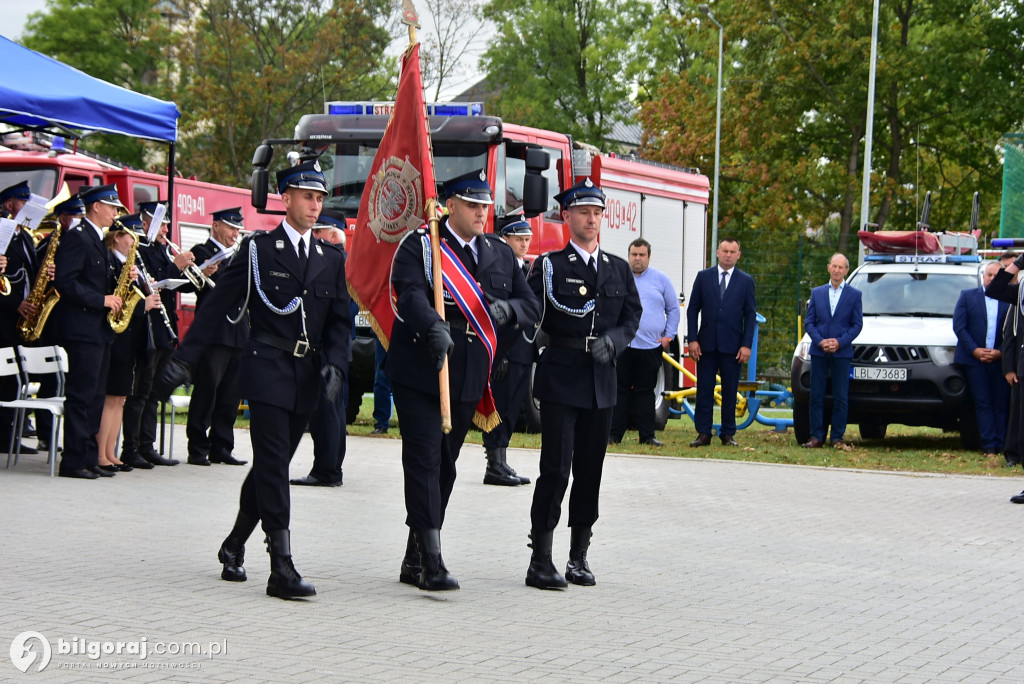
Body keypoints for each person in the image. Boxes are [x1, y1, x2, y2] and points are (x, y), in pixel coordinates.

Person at [156, 159, 351, 599]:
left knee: (272, 467)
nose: (315, 205)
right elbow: (217, 304)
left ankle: (233, 543)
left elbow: (340, 320)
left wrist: (336, 365)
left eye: (320, 198)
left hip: (307, 377)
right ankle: (281, 566)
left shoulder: (330, 257)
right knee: (274, 467)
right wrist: (186, 360)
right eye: (307, 196)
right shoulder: (259, 250)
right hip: (265, 370)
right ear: (287, 199)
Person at [386, 169, 539, 591]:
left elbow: (529, 305)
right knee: (423, 459)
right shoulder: (422, 244)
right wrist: (431, 324)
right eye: (472, 205)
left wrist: (509, 312)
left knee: (445, 467)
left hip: (470, 371)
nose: (480, 212)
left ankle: (415, 550)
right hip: (423, 367)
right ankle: (432, 562)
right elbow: (410, 292)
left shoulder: (499, 252)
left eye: (485, 206)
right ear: (449, 205)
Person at [524, 178, 641, 590]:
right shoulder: (550, 265)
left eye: (597, 213)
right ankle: (541, 557)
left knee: (590, 471)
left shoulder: (617, 268)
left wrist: (616, 340)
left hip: (601, 381)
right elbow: (534, 316)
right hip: (561, 377)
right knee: (555, 470)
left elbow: (631, 317)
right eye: (584, 212)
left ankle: (579, 555)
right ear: (568, 215)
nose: (591, 220)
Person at [51, 184, 130, 479]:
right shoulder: (77, 237)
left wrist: (123, 277)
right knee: (82, 396)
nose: (115, 213)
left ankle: (88, 456)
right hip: (83, 329)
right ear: (96, 206)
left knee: (96, 396)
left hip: (100, 330)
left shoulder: (98, 239)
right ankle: (72, 461)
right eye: (111, 207)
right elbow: (66, 282)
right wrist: (101, 300)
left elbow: (98, 279)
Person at [120, 200, 192, 469]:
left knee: (153, 392)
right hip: (147, 325)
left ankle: (147, 445)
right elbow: (153, 281)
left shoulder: (161, 248)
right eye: (161, 223)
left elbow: (170, 284)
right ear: (146, 222)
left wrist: (184, 271)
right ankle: (132, 446)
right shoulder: (142, 248)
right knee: (141, 390)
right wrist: (175, 267)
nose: (165, 229)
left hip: (165, 326)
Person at [96, 215, 162, 472]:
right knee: (111, 397)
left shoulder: (127, 264)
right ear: (116, 237)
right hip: (116, 337)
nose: (133, 242)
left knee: (120, 397)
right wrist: (141, 306)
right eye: (129, 237)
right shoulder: (111, 260)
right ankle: (101, 452)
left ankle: (110, 452)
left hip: (128, 338)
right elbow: (116, 302)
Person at [184, 207, 248, 467]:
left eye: (237, 229)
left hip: (238, 330)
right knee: (207, 391)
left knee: (231, 394)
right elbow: (189, 284)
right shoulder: (202, 252)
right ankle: (197, 446)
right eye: (231, 228)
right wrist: (202, 271)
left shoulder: (241, 255)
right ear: (216, 227)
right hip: (215, 332)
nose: (235, 233)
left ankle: (222, 445)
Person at [291, 211, 349, 488]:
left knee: (325, 411)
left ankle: (326, 470)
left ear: (334, 234)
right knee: (333, 410)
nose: (314, 237)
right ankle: (330, 467)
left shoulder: (335, 261)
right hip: (335, 348)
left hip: (326, 346)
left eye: (319, 232)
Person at [686, 238, 757, 448]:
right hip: (706, 345)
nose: (728, 255)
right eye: (724, 251)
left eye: (732, 251)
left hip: (733, 347)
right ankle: (703, 433)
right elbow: (692, 309)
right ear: (717, 252)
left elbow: (750, 315)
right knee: (705, 390)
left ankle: (727, 433)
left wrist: (747, 345)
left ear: (738, 255)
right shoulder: (703, 277)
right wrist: (692, 339)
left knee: (729, 391)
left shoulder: (746, 281)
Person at [480, 215, 535, 486]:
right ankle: (494, 463)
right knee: (499, 408)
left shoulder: (527, 269)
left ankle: (502, 460)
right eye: (519, 239)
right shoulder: (498, 268)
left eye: (527, 239)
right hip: (505, 351)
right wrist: (498, 353)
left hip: (524, 351)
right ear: (506, 239)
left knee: (513, 408)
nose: (524, 244)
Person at [609, 237, 680, 447]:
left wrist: (669, 336)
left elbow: (673, 309)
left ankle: (647, 436)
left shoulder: (662, 280)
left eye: (641, 255)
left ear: (649, 257)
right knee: (619, 390)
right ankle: (614, 435)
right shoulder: (618, 278)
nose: (637, 259)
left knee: (646, 392)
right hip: (624, 346)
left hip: (650, 346)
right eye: (634, 255)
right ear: (628, 256)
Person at [801, 253, 863, 448]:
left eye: (841, 267)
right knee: (816, 395)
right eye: (834, 266)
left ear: (846, 270)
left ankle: (837, 437)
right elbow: (809, 322)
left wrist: (839, 342)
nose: (837, 270)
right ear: (828, 267)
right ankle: (816, 437)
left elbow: (857, 325)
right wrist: (820, 342)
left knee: (841, 396)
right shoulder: (817, 293)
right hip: (819, 352)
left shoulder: (854, 295)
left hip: (841, 353)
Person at [0, 180, 41, 455]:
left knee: (16, 379)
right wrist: (16, 304)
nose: (27, 206)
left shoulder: (24, 235)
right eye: (22, 201)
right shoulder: (2, 232)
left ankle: (12, 434)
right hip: (4, 317)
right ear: (8, 204)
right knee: (6, 380)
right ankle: (5, 438)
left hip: (22, 317)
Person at [955, 261, 1009, 459]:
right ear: (983, 276)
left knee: (1001, 404)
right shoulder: (968, 297)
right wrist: (975, 351)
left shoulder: (1009, 300)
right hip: (975, 361)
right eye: (989, 275)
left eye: (997, 276)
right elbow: (960, 327)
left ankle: (1003, 445)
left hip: (1001, 361)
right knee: (982, 402)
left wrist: (1001, 352)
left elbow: (1015, 332)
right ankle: (989, 446)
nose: (992, 279)